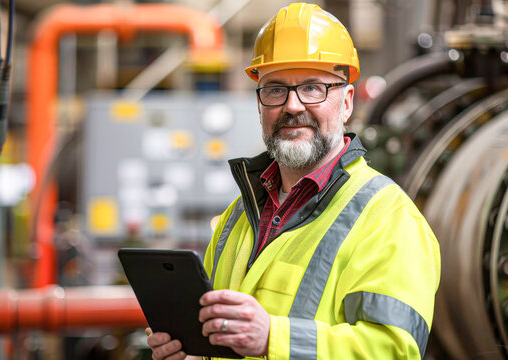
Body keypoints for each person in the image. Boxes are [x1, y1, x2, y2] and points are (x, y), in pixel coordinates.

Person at [147, 3, 441, 359]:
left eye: (313, 88)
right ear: (259, 105)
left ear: (346, 102)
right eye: (274, 89)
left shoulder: (389, 220)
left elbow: (393, 351)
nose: (293, 106)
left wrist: (274, 338)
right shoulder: (236, 219)